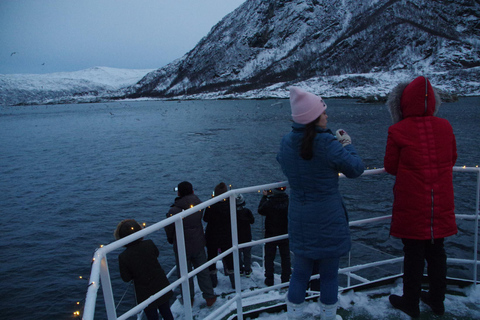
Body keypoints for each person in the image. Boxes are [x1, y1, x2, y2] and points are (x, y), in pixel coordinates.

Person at [277, 87, 365, 320]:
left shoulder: (286, 142)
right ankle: (328, 316)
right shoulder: (328, 144)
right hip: (328, 218)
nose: (327, 115)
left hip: (299, 217)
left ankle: (294, 316)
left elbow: (283, 162)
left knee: (299, 274)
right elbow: (356, 169)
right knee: (329, 276)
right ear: (314, 117)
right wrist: (346, 143)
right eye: (323, 111)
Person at [384, 76, 458, 318]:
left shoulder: (397, 130)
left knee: (413, 253)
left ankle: (411, 301)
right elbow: (452, 158)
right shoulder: (445, 126)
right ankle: (437, 300)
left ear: (402, 104)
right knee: (437, 252)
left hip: (412, 203)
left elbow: (391, 166)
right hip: (441, 202)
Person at [164, 181, 217, 307]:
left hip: (182, 246)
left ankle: (189, 299)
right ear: (192, 191)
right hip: (198, 242)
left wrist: (171, 239)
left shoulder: (174, 211)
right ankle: (209, 296)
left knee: (184, 275)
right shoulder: (199, 204)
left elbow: (169, 229)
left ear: (179, 193)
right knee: (202, 271)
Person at [115, 219, 174, 320]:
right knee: (166, 312)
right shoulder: (149, 244)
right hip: (160, 284)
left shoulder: (123, 256)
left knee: (152, 316)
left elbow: (126, 278)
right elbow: (156, 254)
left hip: (144, 292)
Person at [203, 182, 236, 289]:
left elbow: (205, 218)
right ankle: (234, 282)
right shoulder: (230, 204)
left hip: (212, 235)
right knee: (229, 257)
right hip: (226, 235)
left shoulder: (211, 205)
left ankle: (213, 281)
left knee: (211, 257)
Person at [257, 186, 291, 286]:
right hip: (284, 233)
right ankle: (285, 279)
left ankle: (269, 279)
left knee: (269, 257)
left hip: (271, 233)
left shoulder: (270, 202)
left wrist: (264, 197)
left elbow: (260, 210)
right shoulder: (288, 202)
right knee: (285, 257)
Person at [235, 193, 255, 277]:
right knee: (247, 254)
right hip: (246, 236)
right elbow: (252, 221)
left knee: (238, 254)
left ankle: (239, 269)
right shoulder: (247, 211)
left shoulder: (233, 213)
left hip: (237, 237)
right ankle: (247, 270)